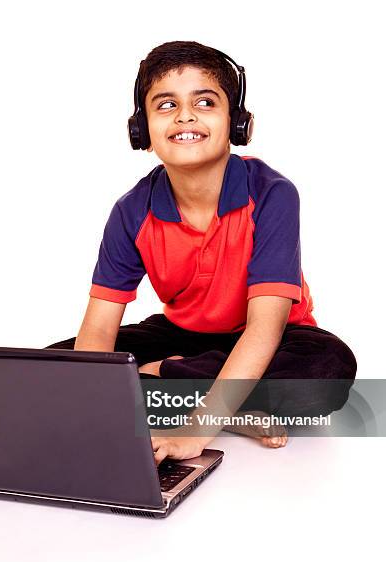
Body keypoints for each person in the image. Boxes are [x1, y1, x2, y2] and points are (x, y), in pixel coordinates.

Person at [45, 41, 357, 462]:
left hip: (272, 336)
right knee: (55, 366)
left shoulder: (272, 195)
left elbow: (264, 329)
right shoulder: (131, 211)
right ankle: (234, 407)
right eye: (166, 104)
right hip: (184, 336)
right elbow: (98, 329)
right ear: (143, 130)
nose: (185, 116)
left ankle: (172, 391)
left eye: (205, 102)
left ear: (237, 123)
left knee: (328, 370)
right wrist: (85, 390)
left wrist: (192, 425)